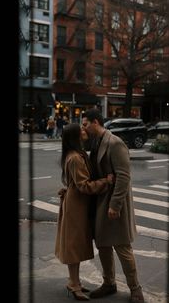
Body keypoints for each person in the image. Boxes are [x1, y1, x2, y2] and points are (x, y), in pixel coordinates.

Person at [81, 108, 144, 303]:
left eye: (85, 124)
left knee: (122, 247)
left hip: (115, 204)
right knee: (104, 245)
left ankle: (136, 289)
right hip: (101, 202)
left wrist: (115, 205)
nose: (83, 128)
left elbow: (124, 177)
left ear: (95, 123)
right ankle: (109, 283)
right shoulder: (96, 142)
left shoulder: (115, 143)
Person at [54, 123, 114, 301]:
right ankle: (73, 284)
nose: (84, 131)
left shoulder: (76, 155)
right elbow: (84, 186)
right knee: (74, 246)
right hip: (76, 207)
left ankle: (75, 282)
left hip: (78, 204)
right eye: (80, 130)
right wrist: (106, 181)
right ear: (75, 136)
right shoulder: (75, 158)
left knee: (77, 245)